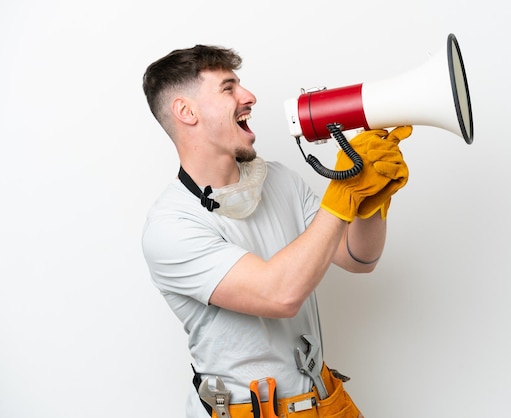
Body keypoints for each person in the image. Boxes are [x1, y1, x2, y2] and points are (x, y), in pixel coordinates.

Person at [141, 44, 412, 418]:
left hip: (324, 401)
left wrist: (372, 199)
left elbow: (358, 258)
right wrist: (344, 192)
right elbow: (280, 295)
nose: (248, 97)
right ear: (186, 112)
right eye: (228, 87)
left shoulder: (279, 180)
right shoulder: (171, 226)